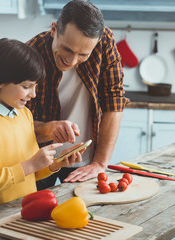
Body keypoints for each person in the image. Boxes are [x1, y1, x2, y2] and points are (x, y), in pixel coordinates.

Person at [0, 38, 83, 214]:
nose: (33, 94)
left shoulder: (23, 114)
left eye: (35, 86)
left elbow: (29, 174)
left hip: (23, 213)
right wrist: (30, 165)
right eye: (26, 86)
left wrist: (55, 164)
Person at [26, 0, 129, 189]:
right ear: (54, 29)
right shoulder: (31, 53)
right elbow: (18, 122)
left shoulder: (104, 40)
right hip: (38, 160)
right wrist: (49, 129)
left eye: (83, 55)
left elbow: (114, 100)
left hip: (86, 162)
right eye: (67, 49)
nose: (72, 61)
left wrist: (100, 162)